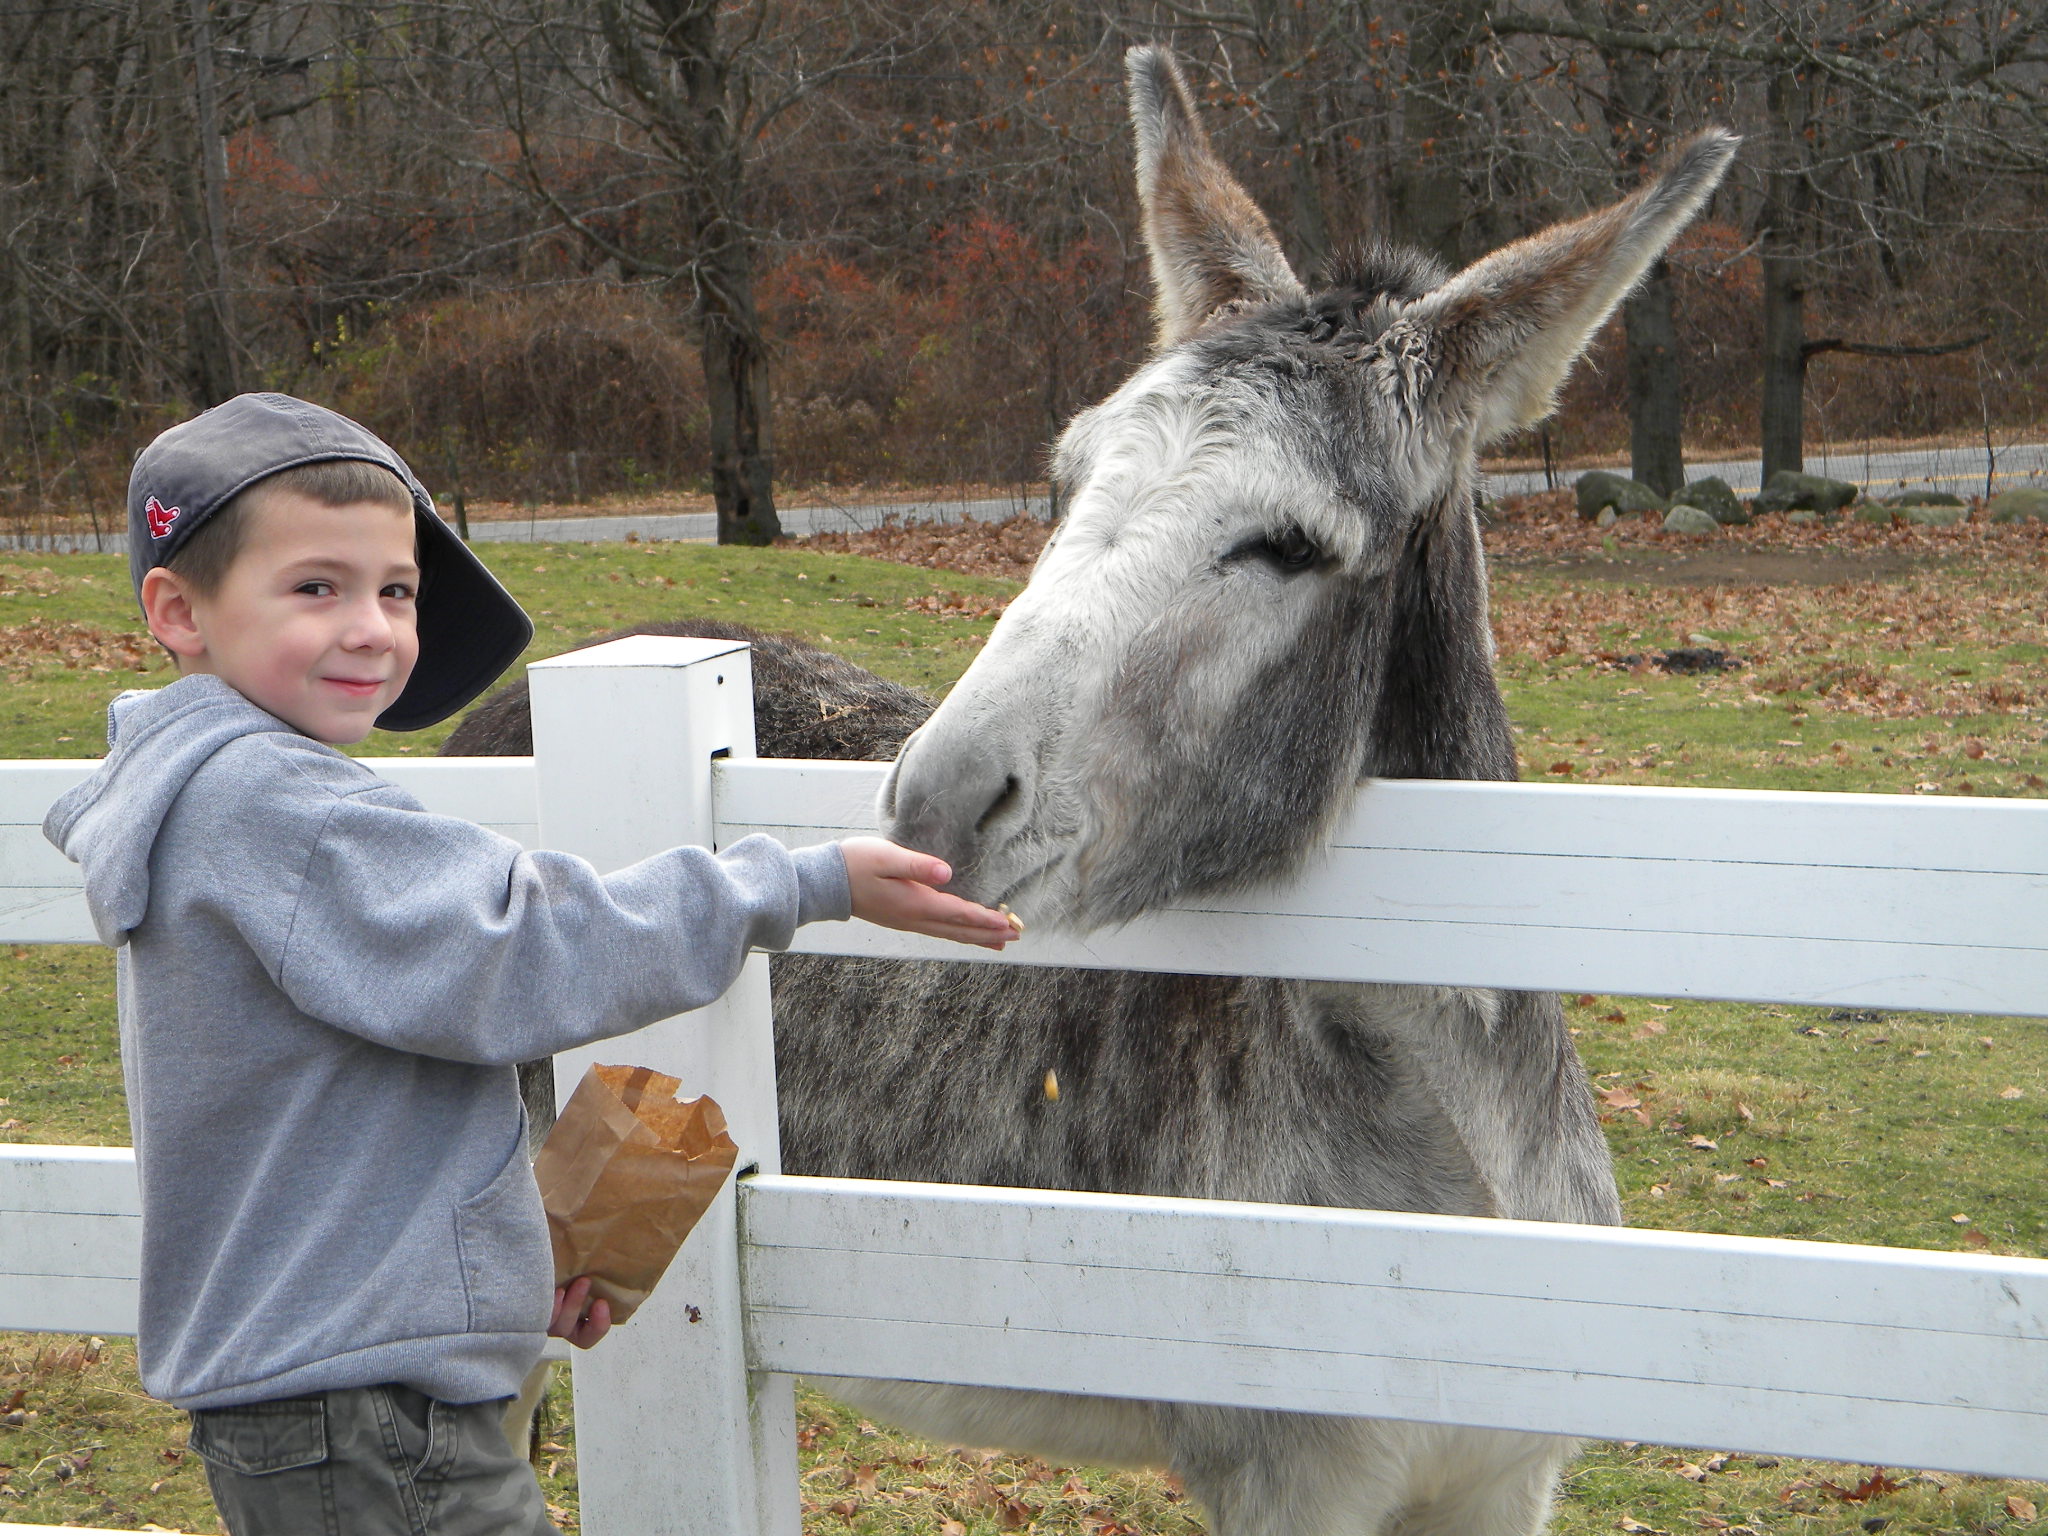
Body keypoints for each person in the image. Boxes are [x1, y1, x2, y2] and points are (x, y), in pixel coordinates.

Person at [42, 393, 1016, 1536]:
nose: (372, 627)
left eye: (395, 590)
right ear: (179, 609)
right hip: (368, 1418)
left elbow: (348, 1116)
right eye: (317, 587)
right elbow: (518, 951)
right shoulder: (277, 809)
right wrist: (799, 884)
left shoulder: (222, 799)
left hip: (333, 1395)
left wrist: (494, 1275)